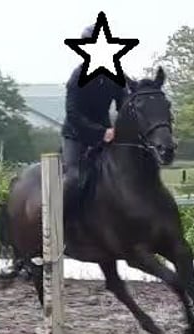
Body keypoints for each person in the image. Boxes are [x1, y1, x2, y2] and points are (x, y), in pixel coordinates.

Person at [60, 24, 129, 221]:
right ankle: (63, 223)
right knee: (73, 179)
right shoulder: (76, 78)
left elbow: (124, 105)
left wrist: (121, 127)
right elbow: (73, 113)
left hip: (106, 133)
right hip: (76, 135)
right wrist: (101, 132)